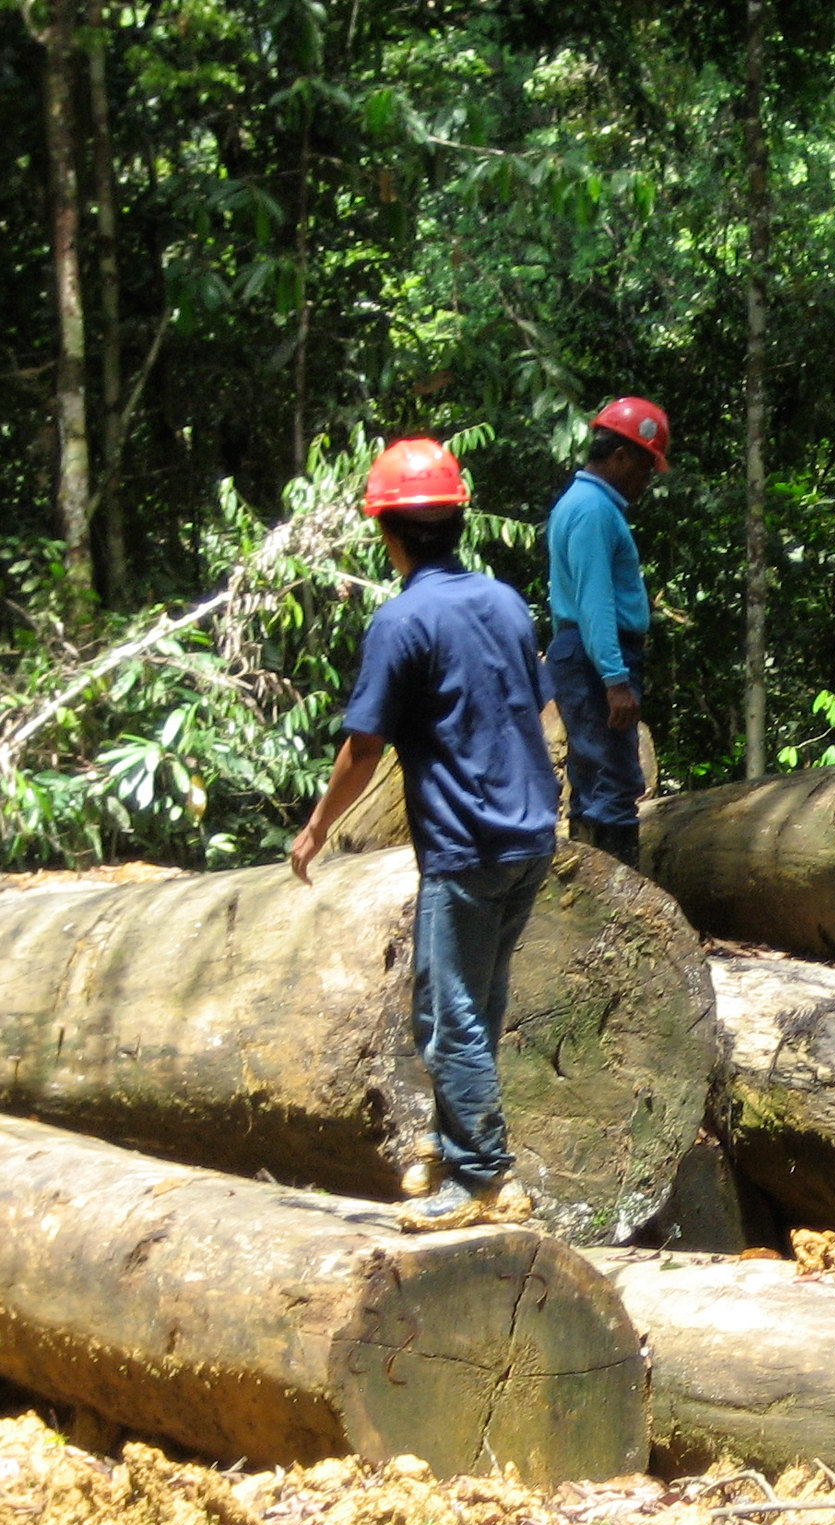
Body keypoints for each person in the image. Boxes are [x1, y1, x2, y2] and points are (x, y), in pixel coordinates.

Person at [289, 437, 558, 1228]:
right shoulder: (507, 602)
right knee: (476, 1000)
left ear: (389, 533)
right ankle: (452, 1144)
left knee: (447, 1017)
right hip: (528, 838)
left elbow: (363, 746)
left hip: (467, 846)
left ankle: (482, 1181)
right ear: (457, 521)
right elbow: (535, 706)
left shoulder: (401, 621)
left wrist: (314, 830)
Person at [544, 397, 669, 867]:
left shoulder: (581, 504)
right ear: (620, 456)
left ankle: (587, 904)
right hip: (598, 654)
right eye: (645, 466)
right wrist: (614, 680)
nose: (646, 480)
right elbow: (595, 602)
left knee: (594, 778)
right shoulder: (595, 511)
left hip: (584, 651)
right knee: (614, 782)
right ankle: (620, 918)